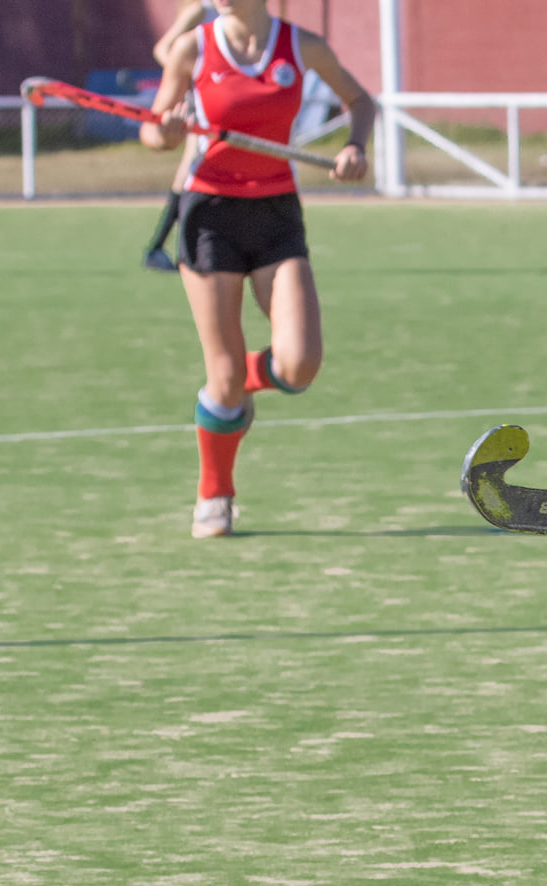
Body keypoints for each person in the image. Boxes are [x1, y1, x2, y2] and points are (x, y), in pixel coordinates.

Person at [142, 0, 374, 538]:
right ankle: (215, 493)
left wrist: (355, 146)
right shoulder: (193, 48)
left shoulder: (302, 47)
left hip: (275, 214)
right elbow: (153, 130)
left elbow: (360, 101)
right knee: (219, 375)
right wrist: (169, 133)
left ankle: (235, 385)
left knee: (299, 365)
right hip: (209, 215)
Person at [142, 1, 218, 272]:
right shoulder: (200, 10)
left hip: (215, 102)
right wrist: (189, 71)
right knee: (190, 171)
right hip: (198, 101)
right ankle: (163, 247)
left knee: (188, 172)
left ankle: (159, 247)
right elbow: (162, 49)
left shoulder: (238, 14)